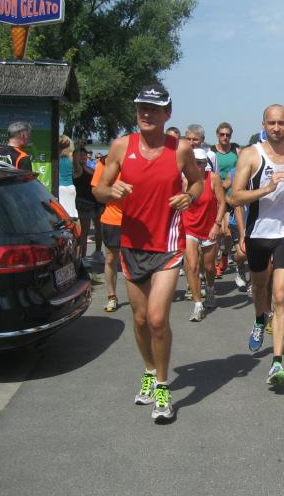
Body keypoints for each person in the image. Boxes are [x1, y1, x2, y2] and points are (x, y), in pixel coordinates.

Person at [94, 83, 203, 423]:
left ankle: (162, 386)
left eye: (154, 108)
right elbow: (98, 190)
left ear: (167, 113)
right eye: (142, 107)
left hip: (167, 246)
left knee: (157, 319)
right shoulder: (121, 146)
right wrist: (112, 191)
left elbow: (198, 182)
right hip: (132, 244)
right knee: (140, 320)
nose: (146, 113)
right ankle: (148, 370)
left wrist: (189, 196)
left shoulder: (179, 149)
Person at [228, 104, 284, 389]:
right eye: (271, 123)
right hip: (258, 234)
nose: (276, 128)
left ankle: (277, 362)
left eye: (281, 123)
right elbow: (235, 197)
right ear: (264, 124)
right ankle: (260, 319)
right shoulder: (251, 154)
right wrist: (266, 189)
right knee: (260, 285)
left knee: (281, 294)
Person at [182, 148, 226, 322]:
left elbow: (222, 203)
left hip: (209, 229)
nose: (198, 166)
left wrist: (217, 224)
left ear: (206, 164)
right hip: (189, 228)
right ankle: (197, 305)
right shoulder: (184, 181)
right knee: (192, 266)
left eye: (201, 162)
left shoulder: (213, 179)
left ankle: (210, 288)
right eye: (195, 162)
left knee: (209, 267)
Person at [91, 155, 123, 313]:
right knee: (111, 258)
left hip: (137, 219)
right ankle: (112, 296)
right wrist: (113, 191)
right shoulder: (105, 163)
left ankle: (142, 298)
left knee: (137, 260)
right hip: (112, 218)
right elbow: (96, 191)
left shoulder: (141, 160)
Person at [211, 122, 242, 278]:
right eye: (222, 134)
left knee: (227, 231)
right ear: (217, 134)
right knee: (219, 232)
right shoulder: (212, 152)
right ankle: (215, 262)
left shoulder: (236, 150)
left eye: (227, 135)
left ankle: (224, 256)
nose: (225, 137)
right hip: (216, 195)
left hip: (232, 195)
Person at [73, 146, 103, 261]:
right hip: (84, 202)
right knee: (85, 231)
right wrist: (78, 147)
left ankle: (98, 252)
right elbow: (76, 161)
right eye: (80, 155)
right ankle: (83, 257)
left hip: (96, 201)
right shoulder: (77, 169)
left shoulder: (90, 168)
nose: (83, 157)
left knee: (99, 228)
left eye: (84, 155)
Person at [57, 135, 78, 218]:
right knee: (71, 214)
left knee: (62, 214)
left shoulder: (57, 158)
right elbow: (76, 171)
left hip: (60, 188)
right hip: (71, 188)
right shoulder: (71, 158)